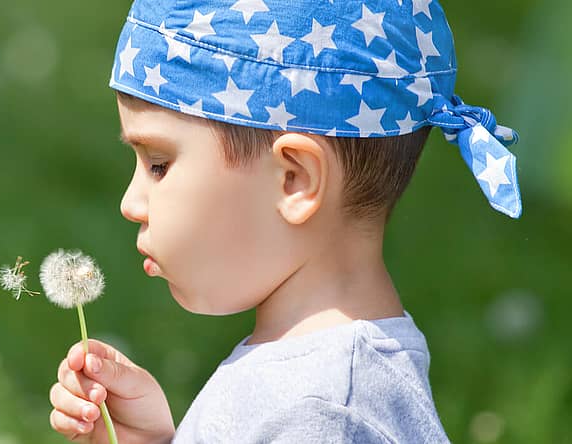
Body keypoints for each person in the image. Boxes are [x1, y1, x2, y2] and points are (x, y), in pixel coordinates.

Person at [49, 0, 521, 442]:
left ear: (293, 179)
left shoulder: (322, 414)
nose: (130, 203)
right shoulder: (313, 382)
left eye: (158, 164)